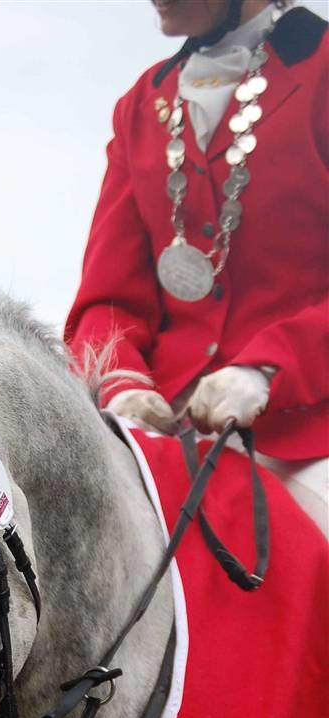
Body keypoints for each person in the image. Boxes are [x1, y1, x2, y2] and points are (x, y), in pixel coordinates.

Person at [65, 0, 328, 533]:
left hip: (309, 428)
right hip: (164, 429)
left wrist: (270, 368)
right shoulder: (142, 104)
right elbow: (107, 299)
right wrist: (121, 383)